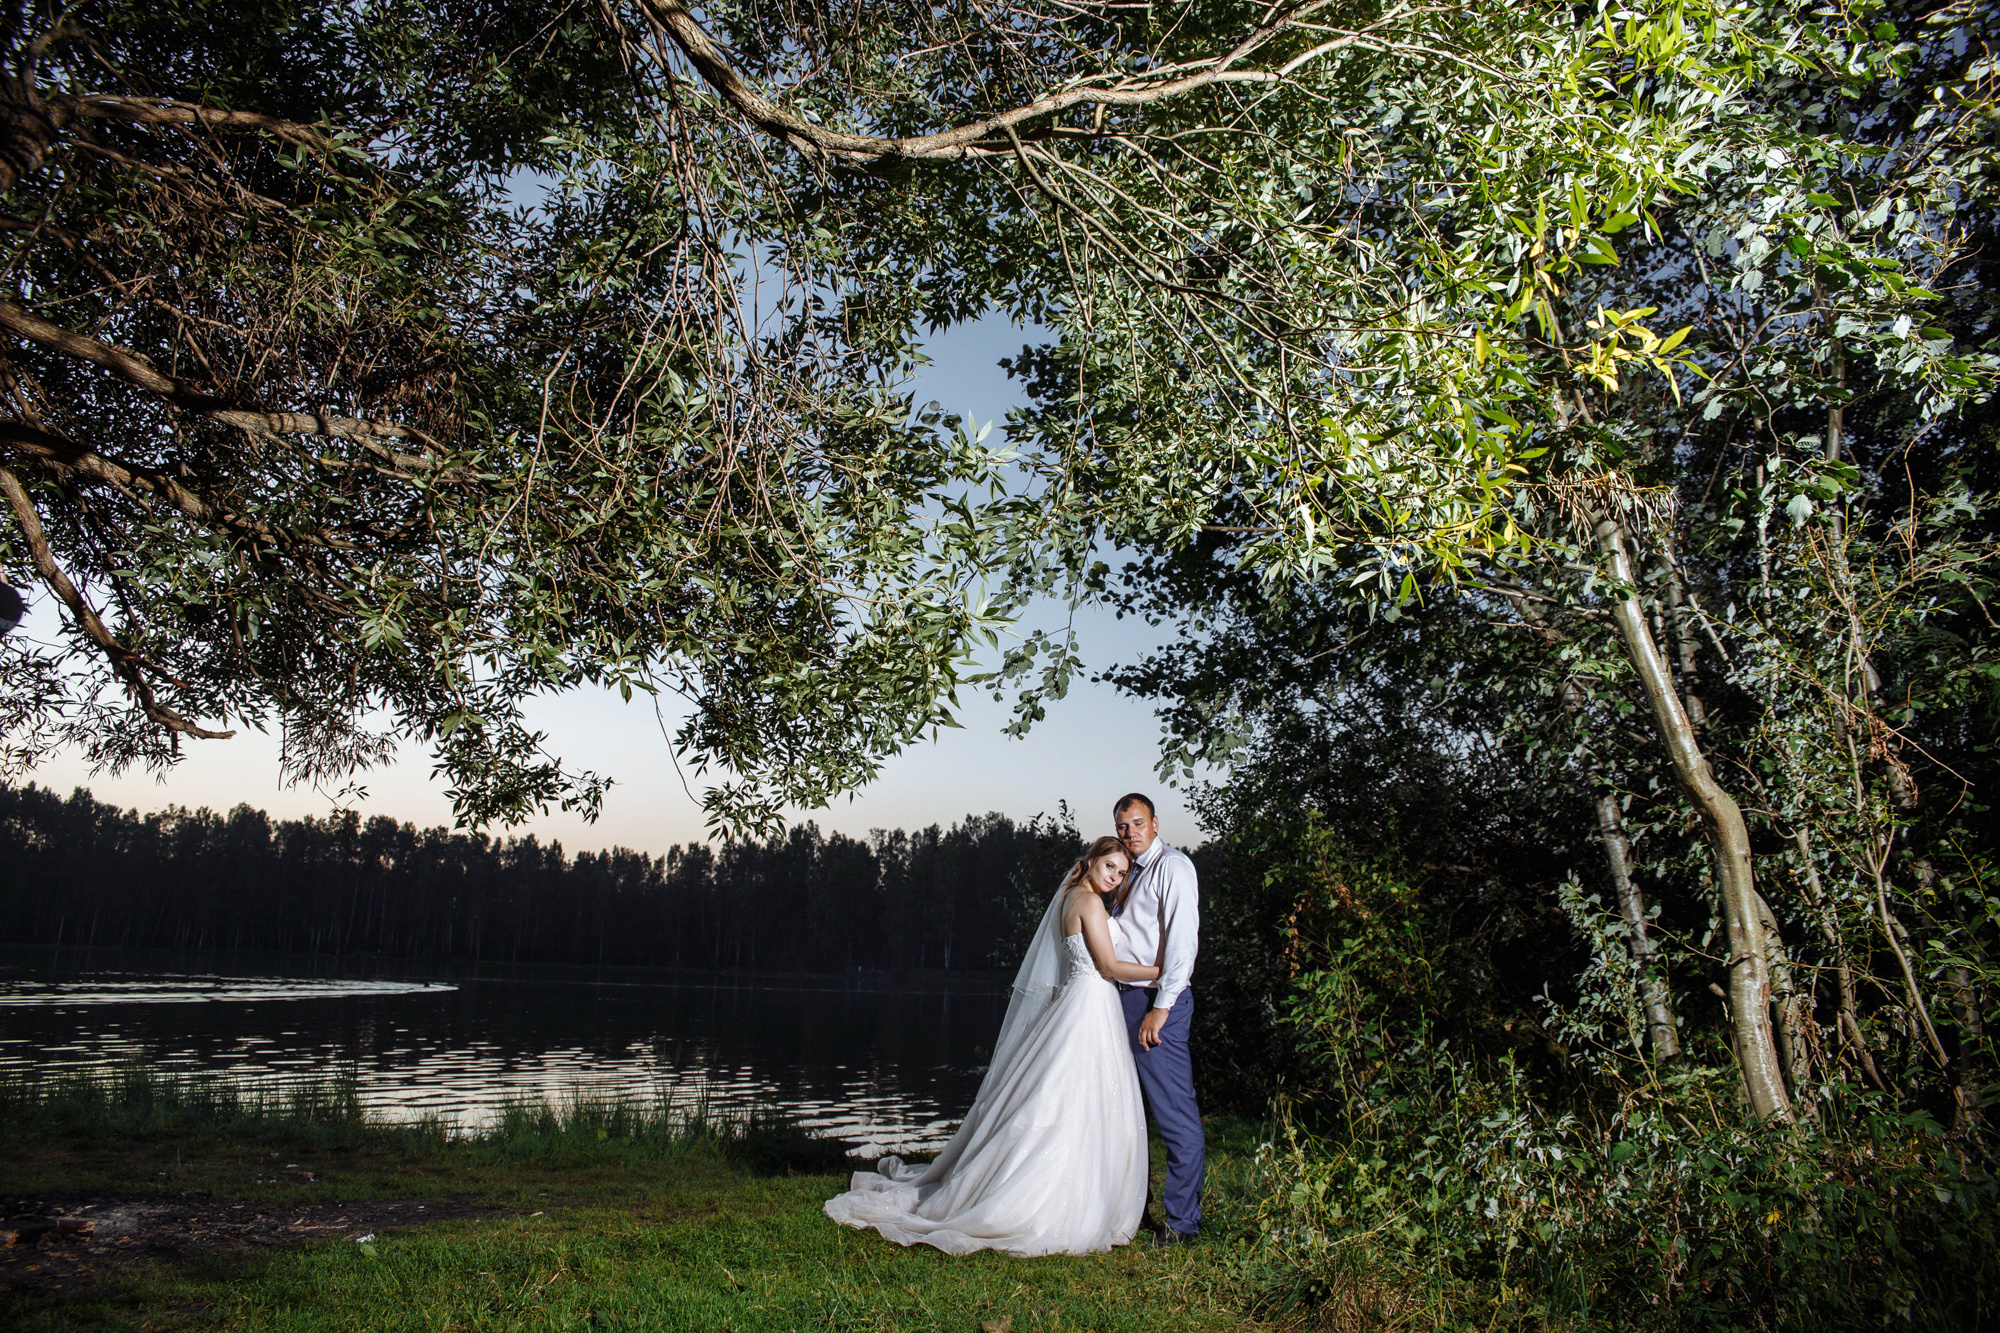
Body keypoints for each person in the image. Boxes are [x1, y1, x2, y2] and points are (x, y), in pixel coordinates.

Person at [823, 836, 1161, 1256]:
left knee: (1064, 1097)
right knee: (1074, 1099)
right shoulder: (1090, 903)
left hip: (1081, 1002)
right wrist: (1162, 971)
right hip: (1090, 1004)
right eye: (1110, 866)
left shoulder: (1070, 897)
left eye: (1122, 872)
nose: (1115, 877)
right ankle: (1051, 1197)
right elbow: (1109, 966)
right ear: (1091, 861)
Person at [1111, 792, 1204, 1244]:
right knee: (1127, 1113)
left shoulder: (1173, 868)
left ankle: (1183, 1226)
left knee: (1174, 1116)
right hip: (1125, 1000)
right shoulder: (1129, 874)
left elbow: (1182, 946)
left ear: (1155, 822)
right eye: (1123, 826)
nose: (1131, 832)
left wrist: (1161, 1010)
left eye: (1138, 823)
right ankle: (1134, 1209)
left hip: (1156, 1002)